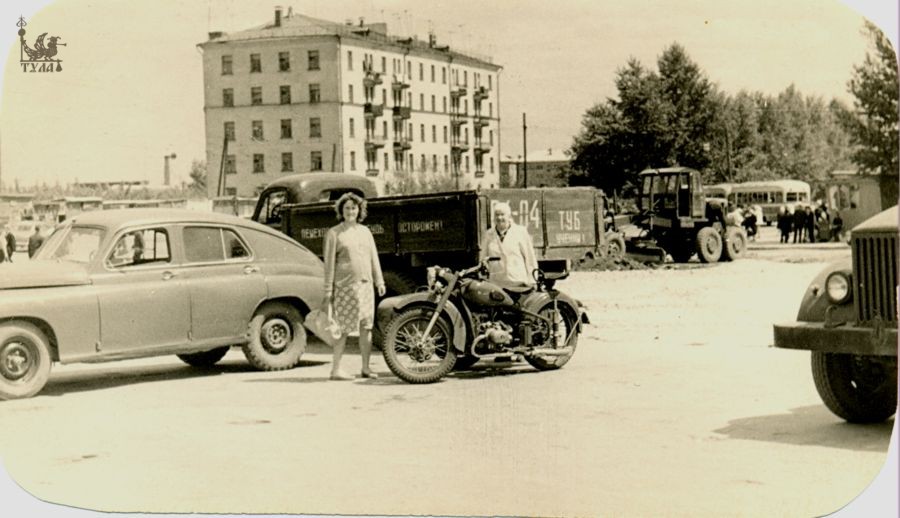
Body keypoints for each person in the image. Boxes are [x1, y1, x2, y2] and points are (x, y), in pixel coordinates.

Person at [322, 193, 385, 381]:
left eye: (354, 208)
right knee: (343, 328)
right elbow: (329, 264)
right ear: (341, 211)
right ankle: (336, 370)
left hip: (365, 286)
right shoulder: (334, 233)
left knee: (367, 327)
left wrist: (379, 281)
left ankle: (365, 368)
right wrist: (328, 291)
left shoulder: (365, 232)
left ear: (360, 210)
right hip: (344, 287)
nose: (351, 211)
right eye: (347, 208)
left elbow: (374, 257)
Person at [480, 201, 538, 287]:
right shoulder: (489, 234)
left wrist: (533, 280)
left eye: (502, 214)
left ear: (509, 216)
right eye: (497, 215)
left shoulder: (520, 232)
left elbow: (530, 258)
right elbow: (483, 259)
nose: (499, 218)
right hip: (497, 284)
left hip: (518, 282)